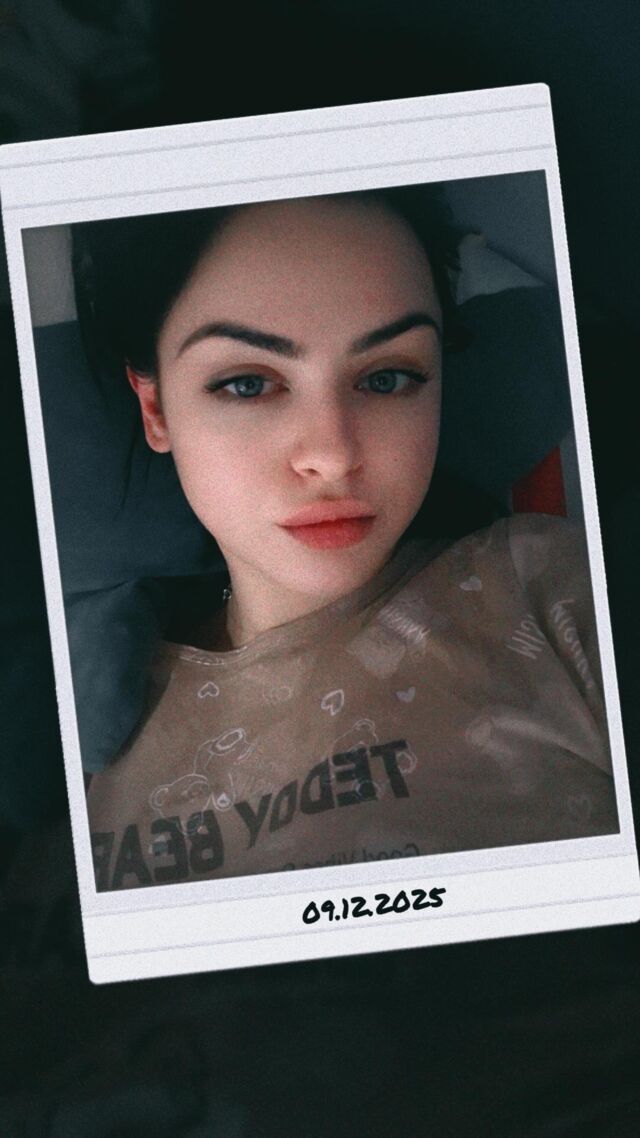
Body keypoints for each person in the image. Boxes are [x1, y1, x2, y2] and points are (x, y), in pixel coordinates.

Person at [78, 186, 618, 892]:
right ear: (156, 409)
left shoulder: (555, 595)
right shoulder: (83, 733)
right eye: (248, 384)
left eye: (388, 378)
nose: (333, 456)